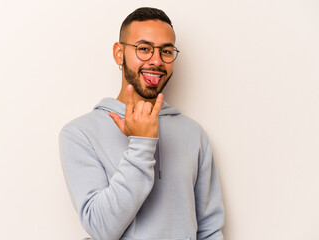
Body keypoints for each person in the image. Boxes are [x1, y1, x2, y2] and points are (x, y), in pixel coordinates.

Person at [59, 7, 225, 240]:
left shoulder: (194, 134)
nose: (156, 61)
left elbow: (209, 229)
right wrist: (143, 144)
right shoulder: (79, 134)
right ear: (119, 53)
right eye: (144, 49)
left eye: (166, 51)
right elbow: (100, 228)